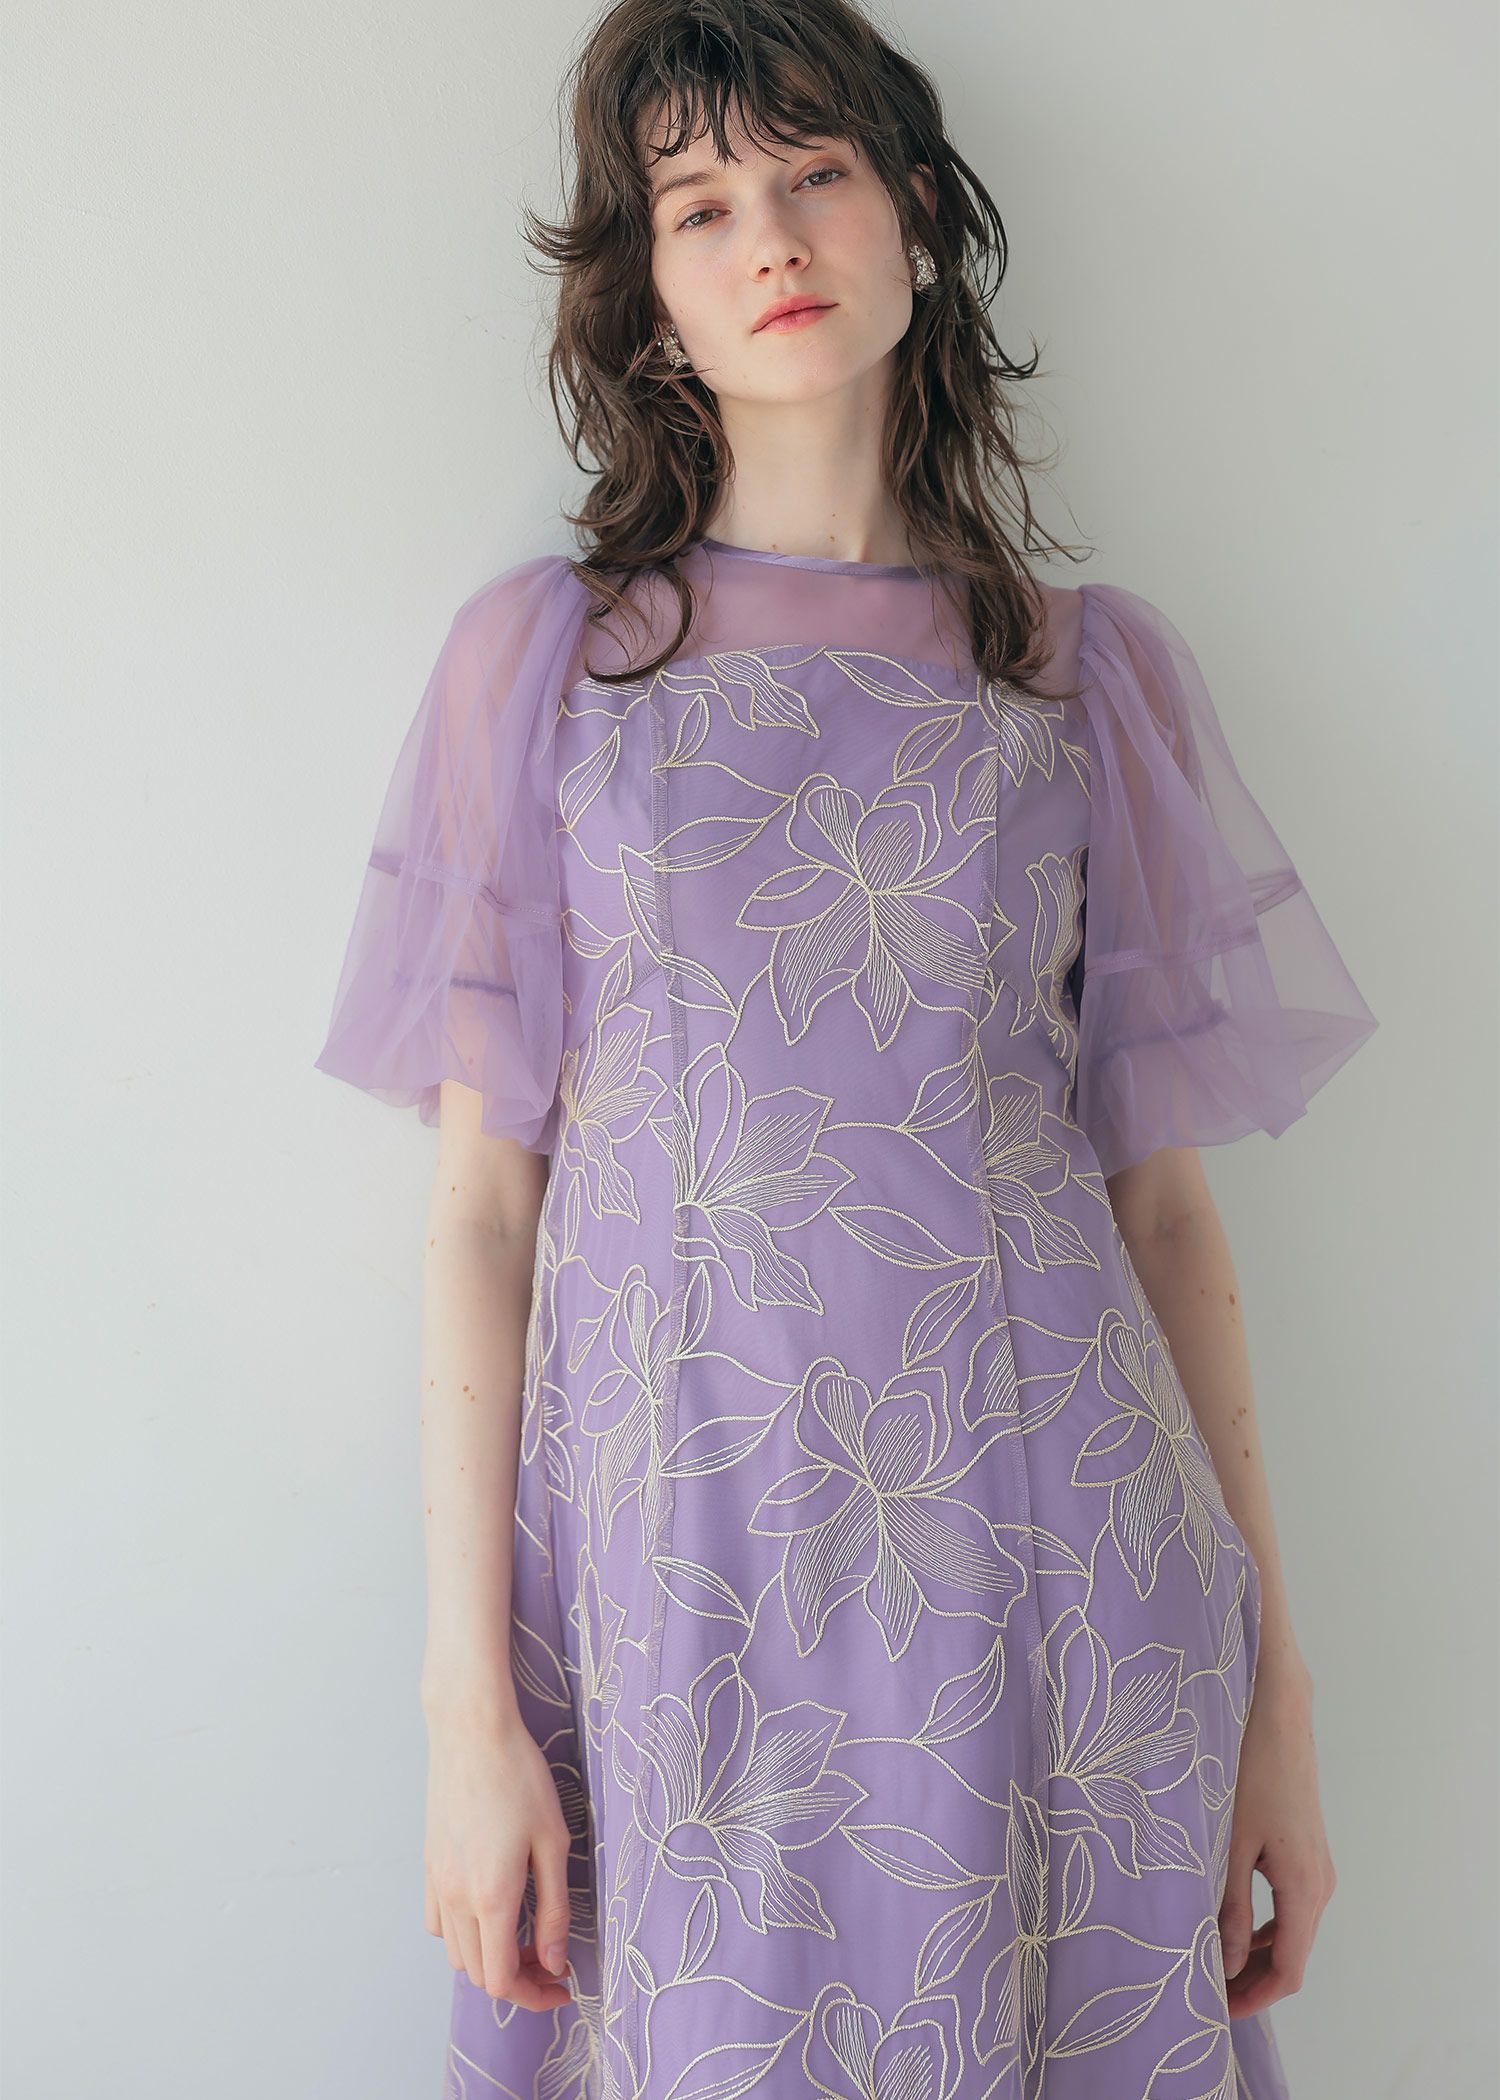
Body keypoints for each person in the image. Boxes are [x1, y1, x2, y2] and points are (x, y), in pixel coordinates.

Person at [313, 3, 1379, 2093]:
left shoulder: (1081, 679)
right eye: (701, 206)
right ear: (647, 292)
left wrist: (1283, 1708)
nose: (773, 239)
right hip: (683, 1585)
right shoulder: (551, 669)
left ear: (916, 217)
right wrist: (465, 1711)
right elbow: (483, 1214)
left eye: (814, 174)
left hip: (1065, 1575)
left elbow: (1165, 1218)